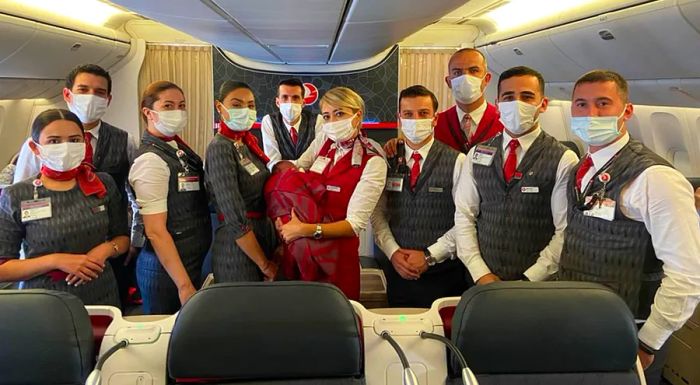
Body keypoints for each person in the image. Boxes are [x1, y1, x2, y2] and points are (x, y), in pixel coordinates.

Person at [557, 70, 700, 385]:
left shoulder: (656, 178)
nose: (590, 113)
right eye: (581, 104)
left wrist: (648, 342)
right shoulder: (581, 170)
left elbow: (688, 274)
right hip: (576, 315)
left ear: (627, 111)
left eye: (603, 103)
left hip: (627, 328)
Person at [13, 64, 136, 308]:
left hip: (103, 258)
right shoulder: (34, 146)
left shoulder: (124, 141)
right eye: (83, 89)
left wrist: (129, 241)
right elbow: (20, 197)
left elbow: (131, 194)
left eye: (99, 92)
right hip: (45, 271)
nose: (91, 96)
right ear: (68, 94)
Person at [454, 66, 579, 285]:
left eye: (527, 97)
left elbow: (565, 230)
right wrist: (479, 272)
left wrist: (529, 279)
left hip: (536, 285)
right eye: (509, 97)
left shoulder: (564, 159)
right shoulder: (477, 153)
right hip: (479, 279)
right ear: (498, 104)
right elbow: (465, 214)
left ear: (543, 105)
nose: (517, 103)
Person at [0, 109, 128, 305]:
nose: (66, 147)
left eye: (74, 140)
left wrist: (105, 250)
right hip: (46, 300)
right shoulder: (16, 195)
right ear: (35, 148)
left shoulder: (102, 183)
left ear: (84, 143)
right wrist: (56, 260)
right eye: (54, 141)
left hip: (101, 291)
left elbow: (122, 238)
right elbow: (3, 269)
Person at [274, 87, 387, 300]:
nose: (333, 121)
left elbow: (354, 225)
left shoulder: (373, 162)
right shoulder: (325, 141)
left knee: (335, 324)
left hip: (336, 262)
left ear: (357, 115)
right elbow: (297, 169)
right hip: (303, 255)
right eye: (327, 116)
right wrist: (283, 217)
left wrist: (303, 230)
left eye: (340, 113)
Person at [371, 85, 469, 308]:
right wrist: (393, 253)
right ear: (399, 118)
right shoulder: (386, 160)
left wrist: (429, 256)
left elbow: (465, 220)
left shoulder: (458, 161)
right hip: (398, 270)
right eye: (408, 114)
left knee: (443, 335)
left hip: (444, 272)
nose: (415, 120)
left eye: (423, 114)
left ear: (435, 119)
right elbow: (378, 215)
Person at [129, 81, 212, 314]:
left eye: (181, 105)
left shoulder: (174, 147)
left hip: (186, 260)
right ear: (148, 112)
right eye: (168, 105)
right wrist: (184, 286)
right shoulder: (150, 161)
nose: (177, 111)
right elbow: (155, 230)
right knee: (166, 337)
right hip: (166, 272)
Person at [206, 81, 278, 282]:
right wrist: (264, 264)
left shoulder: (245, 143)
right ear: (220, 107)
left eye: (251, 105)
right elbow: (235, 216)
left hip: (261, 239)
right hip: (237, 250)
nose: (245, 110)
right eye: (237, 105)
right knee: (244, 310)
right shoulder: (220, 147)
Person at [384, 48, 503, 157]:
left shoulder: (504, 122)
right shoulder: (436, 123)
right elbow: (417, 145)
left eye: (473, 70)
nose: (466, 78)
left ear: (486, 79)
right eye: (457, 72)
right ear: (449, 81)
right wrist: (399, 145)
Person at [261, 78, 322, 171]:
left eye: (295, 98)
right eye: (285, 97)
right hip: (281, 177)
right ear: (277, 102)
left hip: (311, 178)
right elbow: (272, 160)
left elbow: (318, 155)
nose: (290, 102)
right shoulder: (269, 121)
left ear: (303, 103)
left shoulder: (318, 120)